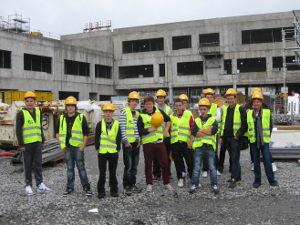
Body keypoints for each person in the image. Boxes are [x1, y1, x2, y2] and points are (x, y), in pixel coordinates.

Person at [16, 91, 50, 196]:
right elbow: (18, 130)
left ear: (35, 101)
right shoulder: (21, 113)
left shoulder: (38, 111)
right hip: (27, 144)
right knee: (28, 165)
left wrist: (42, 140)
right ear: (25, 102)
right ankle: (28, 186)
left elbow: (39, 127)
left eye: (32, 101)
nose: (30, 103)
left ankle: (40, 185)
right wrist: (21, 144)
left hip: (37, 142)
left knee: (38, 164)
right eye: (27, 101)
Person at [56, 96, 92, 196]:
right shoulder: (61, 118)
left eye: (72, 106)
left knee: (81, 168)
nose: (70, 108)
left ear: (75, 107)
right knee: (70, 169)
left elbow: (86, 134)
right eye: (68, 106)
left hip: (78, 148)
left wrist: (82, 147)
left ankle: (86, 187)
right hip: (67, 148)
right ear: (66, 107)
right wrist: (62, 144)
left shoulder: (81, 117)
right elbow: (57, 133)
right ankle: (69, 187)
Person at [137, 96, 173, 192]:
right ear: (144, 105)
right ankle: (149, 183)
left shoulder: (159, 112)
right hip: (148, 143)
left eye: (150, 103)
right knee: (148, 164)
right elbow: (139, 130)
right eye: (147, 104)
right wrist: (149, 130)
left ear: (153, 104)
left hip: (159, 142)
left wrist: (166, 130)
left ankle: (166, 183)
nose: (148, 105)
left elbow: (168, 119)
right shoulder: (141, 115)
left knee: (165, 163)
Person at [246, 92, 279, 188]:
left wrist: (266, 137)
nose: (256, 104)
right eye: (254, 102)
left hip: (264, 141)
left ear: (261, 103)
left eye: (258, 102)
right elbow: (246, 126)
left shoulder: (267, 112)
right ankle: (257, 181)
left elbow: (270, 126)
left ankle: (272, 181)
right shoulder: (249, 113)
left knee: (267, 161)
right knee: (256, 162)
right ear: (252, 103)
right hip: (253, 142)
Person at [189, 98, 219, 194]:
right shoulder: (196, 120)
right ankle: (194, 184)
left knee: (212, 167)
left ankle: (214, 184)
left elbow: (213, 131)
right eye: (200, 109)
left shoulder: (213, 120)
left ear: (208, 109)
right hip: (198, 147)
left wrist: (200, 131)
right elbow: (194, 133)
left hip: (209, 147)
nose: (202, 111)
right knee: (197, 167)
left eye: (204, 109)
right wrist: (206, 131)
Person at [219, 88, 247, 188]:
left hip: (235, 138)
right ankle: (237, 177)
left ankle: (234, 179)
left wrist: (237, 135)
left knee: (235, 158)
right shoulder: (225, 109)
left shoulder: (240, 109)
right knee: (233, 158)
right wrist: (221, 137)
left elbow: (245, 124)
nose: (230, 100)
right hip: (227, 138)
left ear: (235, 99)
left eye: (232, 98)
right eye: (228, 98)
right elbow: (223, 124)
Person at [95, 103, 121, 198]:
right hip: (102, 152)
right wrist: (97, 148)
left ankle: (114, 190)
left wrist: (118, 149)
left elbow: (118, 138)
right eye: (106, 112)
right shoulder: (99, 124)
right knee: (102, 173)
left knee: (113, 172)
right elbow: (97, 138)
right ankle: (101, 191)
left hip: (113, 152)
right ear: (104, 113)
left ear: (112, 113)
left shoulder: (117, 124)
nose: (108, 114)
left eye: (110, 112)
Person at [120, 91, 142, 195]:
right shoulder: (124, 112)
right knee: (128, 165)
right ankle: (126, 186)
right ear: (129, 101)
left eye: (136, 101)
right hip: (127, 144)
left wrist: (139, 140)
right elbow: (122, 128)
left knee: (135, 165)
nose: (134, 103)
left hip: (136, 144)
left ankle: (133, 184)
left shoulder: (138, 113)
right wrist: (125, 141)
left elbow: (138, 129)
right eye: (132, 101)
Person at [170, 98, 194, 187]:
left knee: (190, 162)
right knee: (177, 162)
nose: (178, 107)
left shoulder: (188, 114)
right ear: (174, 106)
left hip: (186, 143)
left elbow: (193, 128)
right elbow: (169, 130)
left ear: (183, 105)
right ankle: (180, 178)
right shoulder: (171, 116)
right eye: (176, 106)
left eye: (180, 105)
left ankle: (193, 178)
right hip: (175, 143)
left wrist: (191, 141)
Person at [201, 88, 221, 177]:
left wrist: (208, 118)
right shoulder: (202, 106)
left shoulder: (216, 107)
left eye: (211, 97)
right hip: (204, 133)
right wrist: (212, 118)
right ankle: (205, 169)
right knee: (204, 151)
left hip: (213, 133)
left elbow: (219, 118)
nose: (209, 98)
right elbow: (200, 118)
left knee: (214, 151)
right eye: (207, 97)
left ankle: (215, 168)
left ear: (213, 98)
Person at [153, 89, 172, 181]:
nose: (160, 99)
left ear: (165, 98)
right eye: (159, 98)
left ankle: (167, 173)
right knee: (156, 156)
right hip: (156, 135)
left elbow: (171, 121)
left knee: (167, 155)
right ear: (157, 99)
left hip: (166, 134)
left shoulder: (168, 109)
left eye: (162, 98)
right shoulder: (153, 108)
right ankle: (156, 173)